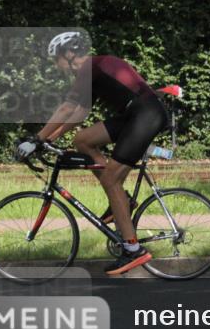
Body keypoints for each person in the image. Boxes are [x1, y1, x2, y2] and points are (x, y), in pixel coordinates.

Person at [16, 32, 169, 275]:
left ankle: (133, 249)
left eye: (57, 60)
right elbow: (78, 115)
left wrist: (37, 139)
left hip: (145, 116)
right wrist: (49, 139)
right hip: (135, 115)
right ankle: (123, 201)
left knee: (111, 179)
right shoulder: (95, 71)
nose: (57, 66)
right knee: (83, 140)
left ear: (68, 54)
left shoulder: (90, 67)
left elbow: (67, 108)